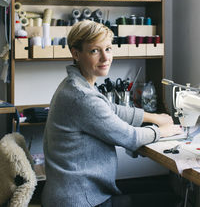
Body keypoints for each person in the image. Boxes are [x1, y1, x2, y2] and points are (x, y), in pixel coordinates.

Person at [42, 20, 182, 207]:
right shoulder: (82, 96)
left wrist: (153, 117)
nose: (105, 58)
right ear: (76, 54)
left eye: (108, 49)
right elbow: (130, 137)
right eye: (95, 51)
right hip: (79, 200)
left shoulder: (76, 84)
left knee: (160, 188)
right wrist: (165, 131)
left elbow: (111, 109)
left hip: (74, 193)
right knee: (169, 198)